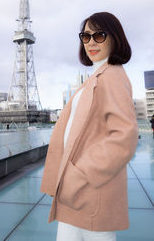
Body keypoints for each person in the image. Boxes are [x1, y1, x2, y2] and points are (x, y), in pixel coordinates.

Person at [40, 12, 139, 241]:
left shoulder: (112, 75)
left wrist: (81, 173)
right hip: (76, 195)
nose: (91, 42)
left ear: (114, 38)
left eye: (99, 35)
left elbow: (125, 135)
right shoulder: (97, 76)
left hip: (90, 192)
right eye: (86, 36)